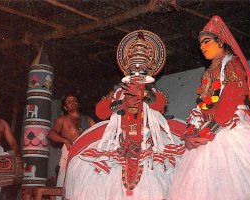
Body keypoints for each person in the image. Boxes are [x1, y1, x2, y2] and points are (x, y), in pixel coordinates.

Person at [63, 30, 186, 200]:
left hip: (149, 145)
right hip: (120, 144)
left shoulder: (154, 94)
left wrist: (143, 95)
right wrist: (122, 104)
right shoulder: (119, 94)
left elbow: (160, 105)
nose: (136, 75)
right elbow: (100, 111)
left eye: (141, 72)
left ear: (148, 74)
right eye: (133, 71)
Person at [168, 15, 250, 200]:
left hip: (228, 129)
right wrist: (191, 131)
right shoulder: (209, 72)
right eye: (200, 43)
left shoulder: (233, 64)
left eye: (207, 41)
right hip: (207, 132)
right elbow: (203, 105)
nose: (202, 46)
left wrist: (207, 132)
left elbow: (231, 99)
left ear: (221, 41)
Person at [48, 94, 95, 188]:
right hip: (69, 151)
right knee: (63, 180)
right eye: (68, 102)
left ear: (78, 104)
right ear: (65, 107)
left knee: (84, 181)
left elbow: (98, 135)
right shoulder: (62, 120)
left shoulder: (88, 120)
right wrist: (65, 140)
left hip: (86, 153)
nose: (72, 103)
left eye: (74, 100)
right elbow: (51, 134)